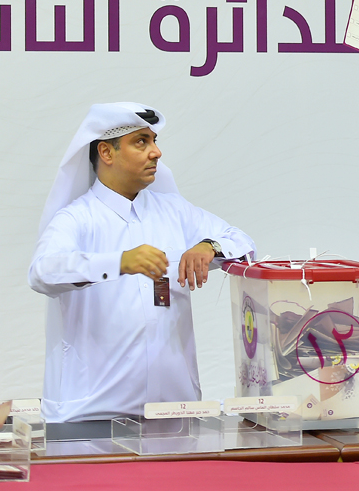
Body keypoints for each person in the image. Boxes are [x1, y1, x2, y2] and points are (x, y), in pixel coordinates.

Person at [29, 103, 255, 423]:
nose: (156, 152)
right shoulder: (77, 219)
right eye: (141, 142)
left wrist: (209, 246)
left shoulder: (174, 210)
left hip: (176, 412)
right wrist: (119, 262)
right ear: (106, 152)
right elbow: (42, 271)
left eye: (154, 141)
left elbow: (244, 243)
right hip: (91, 416)